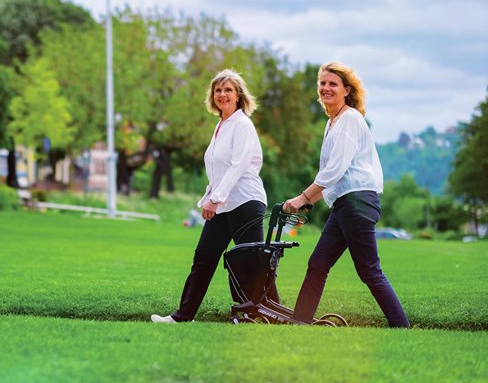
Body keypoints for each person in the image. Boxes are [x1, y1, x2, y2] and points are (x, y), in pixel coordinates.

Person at [283, 61, 410, 328]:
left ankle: (402, 326)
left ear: (346, 90)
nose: (326, 88)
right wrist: (309, 201)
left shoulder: (349, 119)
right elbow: (333, 176)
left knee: (368, 270)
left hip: (358, 202)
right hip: (345, 204)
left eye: (333, 84)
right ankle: (300, 323)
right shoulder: (333, 122)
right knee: (317, 264)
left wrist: (303, 198)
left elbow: (335, 170)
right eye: (322, 83)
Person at [151, 69, 269, 323]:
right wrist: (209, 197)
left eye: (228, 90)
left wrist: (216, 198)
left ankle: (264, 314)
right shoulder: (222, 125)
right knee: (204, 258)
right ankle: (183, 316)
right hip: (224, 203)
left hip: (245, 202)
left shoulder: (242, 125)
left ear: (238, 95)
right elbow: (218, 171)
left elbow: (238, 166)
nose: (222, 94)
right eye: (218, 90)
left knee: (250, 262)